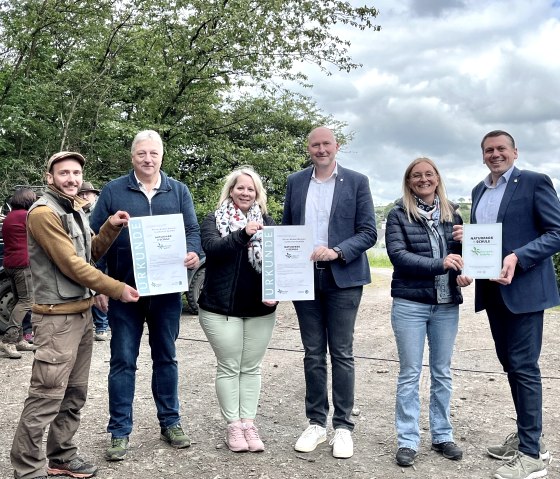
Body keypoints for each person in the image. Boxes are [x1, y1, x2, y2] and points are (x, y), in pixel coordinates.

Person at [10, 151, 139, 479]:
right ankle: (26, 468)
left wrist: (110, 227)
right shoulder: (43, 213)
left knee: (74, 393)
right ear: (49, 177)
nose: (71, 178)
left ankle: (61, 457)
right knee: (46, 395)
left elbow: (89, 252)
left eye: (76, 173)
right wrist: (115, 288)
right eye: (64, 173)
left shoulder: (74, 208)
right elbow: (71, 264)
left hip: (79, 315)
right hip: (55, 319)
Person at [90, 129, 202, 461]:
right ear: (132, 157)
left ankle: (171, 422)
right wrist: (99, 284)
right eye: (142, 154)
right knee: (123, 361)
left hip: (166, 294)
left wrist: (194, 252)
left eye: (154, 153)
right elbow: (93, 238)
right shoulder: (113, 190)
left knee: (166, 358)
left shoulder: (178, 190)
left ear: (162, 156)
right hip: (125, 293)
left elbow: (192, 231)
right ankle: (119, 431)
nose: (148, 159)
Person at [456, 130, 560, 479]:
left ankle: (532, 457)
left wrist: (518, 256)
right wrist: (467, 255)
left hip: (526, 290)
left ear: (515, 152)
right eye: (489, 150)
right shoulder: (479, 190)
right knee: (511, 366)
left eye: (501, 148)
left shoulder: (534, 182)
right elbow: (485, 241)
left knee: (524, 368)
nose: (495, 154)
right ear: (482, 155)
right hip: (494, 291)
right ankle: (528, 437)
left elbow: (556, 232)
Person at [282, 126, 377, 459]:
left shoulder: (356, 181)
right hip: (304, 280)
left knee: (342, 352)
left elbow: (369, 232)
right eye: (315, 145)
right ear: (308, 148)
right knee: (311, 352)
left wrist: (337, 250)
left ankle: (343, 427)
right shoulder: (295, 182)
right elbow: (287, 231)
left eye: (326, 144)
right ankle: (316, 423)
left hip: (343, 278)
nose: (321, 149)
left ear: (337, 146)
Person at [386, 158, 464, 467]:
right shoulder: (397, 215)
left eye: (428, 174)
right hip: (410, 304)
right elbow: (399, 256)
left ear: (437, 178)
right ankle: (407, 439)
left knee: (442, 371)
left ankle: (442, 435)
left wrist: (464, 269)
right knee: (410, 373)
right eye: (416, 176)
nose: (423, 179)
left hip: (446, 304)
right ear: (408, 182)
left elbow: (459, 258)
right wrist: (440, 264)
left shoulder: (452, 214)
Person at [197, 166, 278, 453]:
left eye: (251, 189)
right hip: (220, 309)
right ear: (231, 190)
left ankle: (249, 424)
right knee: (230, 366)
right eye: (240, 187)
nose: (245, 192)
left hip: (260, 310)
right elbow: (213, 249)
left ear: (257, 194)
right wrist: (243, 233)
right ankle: (233, 426)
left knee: (251, 368)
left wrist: (275, 294)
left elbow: (277, 266)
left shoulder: (268, 222)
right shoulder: (213, 219)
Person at [0, 188, 38, 359]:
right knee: (27, 300)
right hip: (23, 264)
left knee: (18, 300)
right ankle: (8, 341)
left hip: (10, 263)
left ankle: (20, 339)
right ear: (28, 200)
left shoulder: (10, 216)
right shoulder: (26, 216)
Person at [78, 181, 109, 342]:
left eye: (87, 193)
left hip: (101, 257)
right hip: (83, 257)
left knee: (99, 289)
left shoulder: (100, 210)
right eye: (81, 193)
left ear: (95, 195)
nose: (84, 196)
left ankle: (102, 326)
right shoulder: (76, 212)